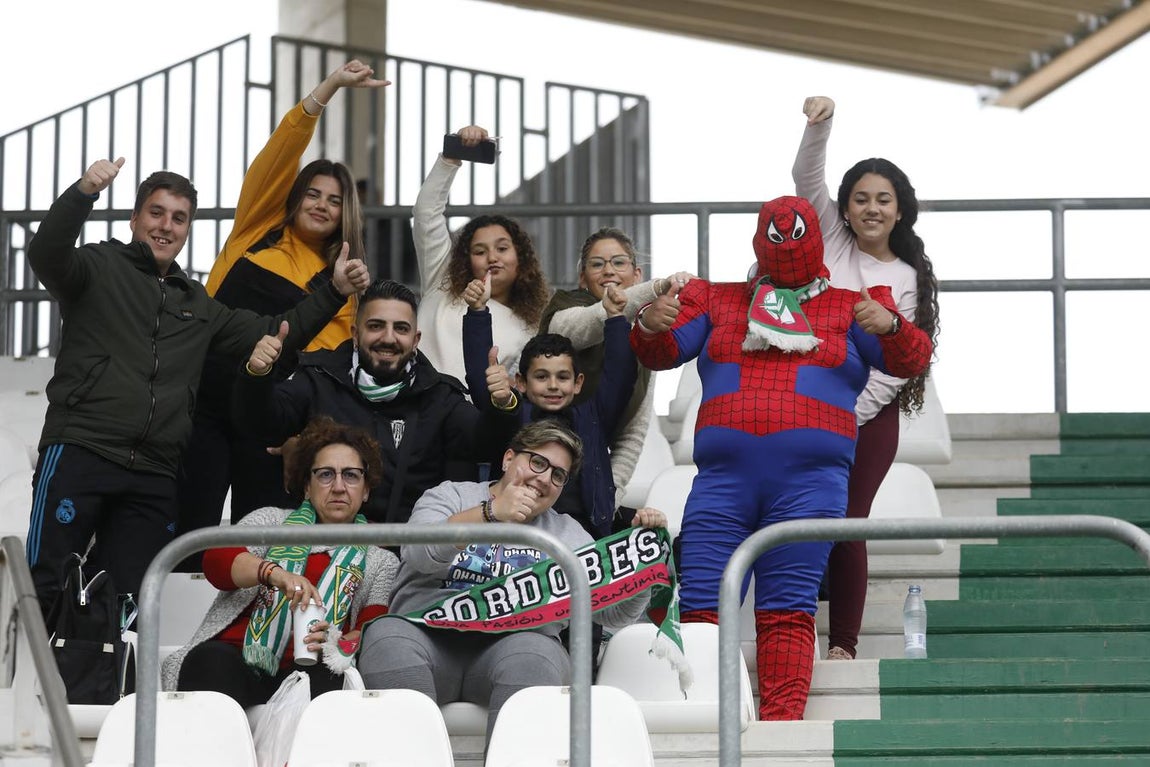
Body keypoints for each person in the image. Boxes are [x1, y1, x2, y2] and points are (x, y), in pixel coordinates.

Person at [24, 158, 369, 621]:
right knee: (47, 583)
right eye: (156, 213)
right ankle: (31, 688)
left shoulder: (198, 304)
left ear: (188, 230)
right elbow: (46, 253)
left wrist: (333, 291)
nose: (166, 226)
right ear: (134, 218)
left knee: (129, 600)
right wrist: (84, 192)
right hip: (82, 449)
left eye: (179, 218)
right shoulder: (96, 267)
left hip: (154, 471)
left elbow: (272, 329)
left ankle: (111, 689)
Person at [630, 195, 933, 720]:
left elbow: (912, 359)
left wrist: (891, 326)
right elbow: (659, 353)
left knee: (788, 611)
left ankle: (780, 730)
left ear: (816, 240)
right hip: (722, 481)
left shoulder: (852, 304)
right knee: (702, 606)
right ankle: (704, 721)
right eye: (775, 234)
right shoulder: (715, 300)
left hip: (810, 484)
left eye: (797, 233)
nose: (786, 243)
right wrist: (650, 324)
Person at [179, 59, 390, 540]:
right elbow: (280, 152)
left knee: (262, 542)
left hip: (268, 423)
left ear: (345, 214)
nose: (320, 204)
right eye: (312, 193)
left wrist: (306, 437)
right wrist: (331, 86)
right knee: (186, 535)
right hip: (200, 405)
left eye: (334, 200)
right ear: (294, 198)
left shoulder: (342, 283)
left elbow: (327, 369)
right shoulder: (254, 231)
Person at [357, 419, 665, 742]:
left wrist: (646, 565)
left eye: (557, 475)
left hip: (515, 650)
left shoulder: (568, 535)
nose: (544, 478)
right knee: (384, 636)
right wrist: (490, 513)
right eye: (537, 462)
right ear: (507, 459)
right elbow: (419, 554)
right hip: (427, 641)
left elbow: (613, 614)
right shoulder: (450, 495)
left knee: (536, 655)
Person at [793, 95, 941, 661]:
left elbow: (892, 368)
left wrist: (835, 412)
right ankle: (791, 627)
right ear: (845, 209)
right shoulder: (828, 236)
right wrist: (820, 125)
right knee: (795, 521)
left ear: (900, 211)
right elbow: (805, 175)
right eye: (861, 199)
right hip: (802, 409)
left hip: (866, 421)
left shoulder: (904, 276)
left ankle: (845, 645)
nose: (872, 208)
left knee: (846, 525)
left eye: (884, 200)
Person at [162, 417, 398, 704]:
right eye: (325, 474)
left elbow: (372, 630)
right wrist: (275, 574)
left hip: (313, 671)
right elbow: (216, 560)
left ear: (366, 490)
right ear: (307, 487)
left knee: (332, 676)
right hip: (239, 664)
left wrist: (338, 639)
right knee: (210, 660)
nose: (338, 486)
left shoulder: (380, 559)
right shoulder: (272, 522)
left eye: (351, 475)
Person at [232, 278, 482, 524]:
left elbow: (489, 440)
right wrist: (257, 374)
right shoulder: (319, 377)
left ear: (415, 340)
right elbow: (261, 423)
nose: (388, 337)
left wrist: (502, 402)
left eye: (401, 329)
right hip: (320, 552)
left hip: (409, 555)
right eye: (375, 326)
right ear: (355, 334)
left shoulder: (441, 396)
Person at [463, 277, 636, 537]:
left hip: (586, 540)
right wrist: (477, 311)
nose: (553, 385)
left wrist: (615, 317)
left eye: (563, 377)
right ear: (520, 382)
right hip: (516, 536)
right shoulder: (513, 415)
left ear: (578, 383)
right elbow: (483, 382)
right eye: (541, 377)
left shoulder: (592, 417)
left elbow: (620, 376)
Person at [539, 227, 693, 507]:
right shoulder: (563, 310)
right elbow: (589, 322)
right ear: (582, 279)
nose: (608, 271)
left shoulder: (648, 337)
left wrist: (612, 494)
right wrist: (658, 288)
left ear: (636, 275)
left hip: (592, 473)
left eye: (619, 262)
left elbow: (633, 431)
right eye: (597, 264)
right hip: (538, 465)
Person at [413, 123, 550, 386]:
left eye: (502, 248)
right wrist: (451, 157)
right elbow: (426, 213)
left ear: (521, 260)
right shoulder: (441, 281)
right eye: (479, 251)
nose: (492, 257)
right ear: (466, 261)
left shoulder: (530, 328)